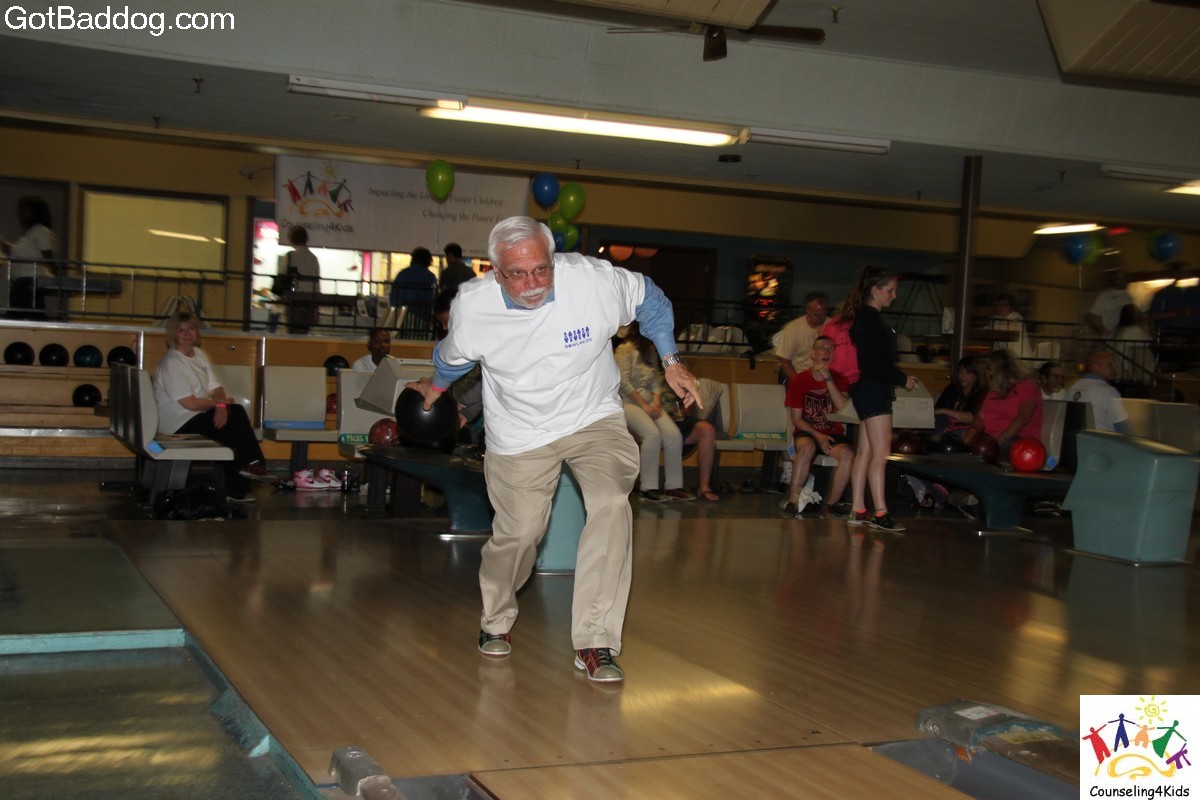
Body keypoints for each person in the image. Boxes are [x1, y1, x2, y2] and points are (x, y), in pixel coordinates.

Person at [407, 216, 700, 683]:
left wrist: (672, 360)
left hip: (592, 416)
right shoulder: (474, 306)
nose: (533, 283)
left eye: (541, 269)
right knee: (520, 532)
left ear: (553, 260)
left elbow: (652, 299)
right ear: (496, 273)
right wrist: (435, 390)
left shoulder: (592, 280)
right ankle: (495, 618)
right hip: (519, 430)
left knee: (611, 504)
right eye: (518, 274)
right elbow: (450, 358)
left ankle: (596, 641)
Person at [153, 310, 276, 501]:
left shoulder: (199, 354)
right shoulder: (172, 362)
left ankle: (243, 480)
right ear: (173, 334)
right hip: (177, 423)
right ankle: (250, 470)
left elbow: (216, 387)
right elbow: (189, 403)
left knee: (233, 426)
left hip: (197, 415)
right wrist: (220, 404)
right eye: (181, 330)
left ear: (197, 331)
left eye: (191, 328)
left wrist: (221, 406)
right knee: (235, 419)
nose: (187, 334)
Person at [842, 265, 917, 533]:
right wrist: (901, 378)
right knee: (881, 453)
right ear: (875, 290)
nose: (894, 296)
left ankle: (858, 508)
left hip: (864, 389)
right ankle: (881, 512)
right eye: (890, 290)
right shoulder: (871, 320)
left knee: (865, 452)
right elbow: (874, 363)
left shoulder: (861, 317)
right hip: (874, 389)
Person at [615, 322, 696, 503]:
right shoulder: (624, 350)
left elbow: (655, 382)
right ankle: (648, 488)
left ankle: (673, 486)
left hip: (650, 402)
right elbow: (623, 382)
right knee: (652, 435)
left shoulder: (649, 352)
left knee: (674, 436)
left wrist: (656, 403)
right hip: (627, 402)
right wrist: (645, 406)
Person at [781, 336, 853, 519]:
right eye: (821, 348)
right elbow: (797, 419)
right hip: (808, 430)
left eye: (831, 348)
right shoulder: (799, 380)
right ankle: (793, 500)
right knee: (807, 447)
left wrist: (828, 378)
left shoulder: (840, 378)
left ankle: (830, 504)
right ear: (812, 354)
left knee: (847, 454)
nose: (826, 351)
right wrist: (817, 435)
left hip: (833, 432)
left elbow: (843, 408)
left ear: (834, 354)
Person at [967, 349, 1044, 457]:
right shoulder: (994, 390)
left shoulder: (1026, 386)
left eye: (990, 369)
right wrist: (971, 432)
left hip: (1019, 440)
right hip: (992, 437)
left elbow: (1022, 418)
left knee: (993, 450)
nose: (988, 373)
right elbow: (981, 416)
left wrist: (999, 440)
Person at [1, 196, 57, 319]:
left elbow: (47, 254)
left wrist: (56, 277)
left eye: (24, 209)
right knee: (29, 315)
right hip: (22, 281)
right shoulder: (29, 234)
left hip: (29, 281)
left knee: (21, 316)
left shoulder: (40, 231)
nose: (20, 213)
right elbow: (14, 251)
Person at [1148, 262, 1198, 372]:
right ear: (1176, 273)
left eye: (1189, 272)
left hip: (1193, 338)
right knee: (1171, 369)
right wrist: (1175, 313)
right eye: (1184, 272)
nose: (1188, 274)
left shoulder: (1195, 293)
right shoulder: (1164, 293)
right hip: (1172, 337)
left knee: (1191, 370)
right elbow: (1153, 316)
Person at [1067, 351, 1132, 433]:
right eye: (1109, 365)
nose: (1114, 369)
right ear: (1095, 366)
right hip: (1102, 439)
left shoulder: (1073, 387)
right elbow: (1122, 426)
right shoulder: (1107, 391)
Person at [775, 292, 830, 381]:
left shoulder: (833, 326)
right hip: (799, 375)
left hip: (826, 378)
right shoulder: (792, 328)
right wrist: (798, 381)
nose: (819, 318)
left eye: (822, 314)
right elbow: (784, 360)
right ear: (808, 310)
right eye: (816, 315)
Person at [276, 226, 320, 334]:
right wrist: (316, 309)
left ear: (291, 239)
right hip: (309, 302)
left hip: (294, 301)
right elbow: (317, 285)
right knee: (304, 333)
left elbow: (281, 276)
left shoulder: (289, 256)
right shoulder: (313, 258)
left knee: (292, 333)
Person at [390, 247, 437, 339]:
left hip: (400, 315)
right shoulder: (430, 277)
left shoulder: (402, 274)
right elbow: (431, 298)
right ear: (428, 260)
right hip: (419, 316)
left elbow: (393, 295)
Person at [1113, 304, 1155, 387]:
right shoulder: (1136, 331)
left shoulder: (1117, 330)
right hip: (1133, 368)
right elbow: (1151, 343)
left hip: (1120, 365)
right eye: (1138, 313)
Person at [1085, 270, 1132, 338]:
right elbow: (1092, 316)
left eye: (1125, 277)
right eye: (1119, 278)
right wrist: (1105, 331)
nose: (1125, 280)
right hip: (1112, 338)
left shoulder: (1131, 295)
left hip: (1129, 337)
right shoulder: (1105, 295)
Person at [987, 294, 1031, 360]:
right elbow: (988, 330)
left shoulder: (1017, 318)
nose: (1001, 307)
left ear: (1012, 307)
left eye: (1005, 305)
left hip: (1018, 357)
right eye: (999, 305)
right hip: (1005, 356)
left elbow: (1005, 331)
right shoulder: (997, 319)